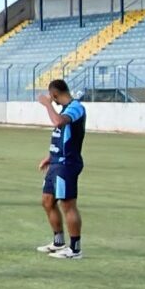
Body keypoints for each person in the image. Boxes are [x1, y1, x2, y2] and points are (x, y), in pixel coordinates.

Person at [36, 79, 86, 260]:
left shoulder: (76, 108)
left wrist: (47, 105)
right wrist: (50, 157)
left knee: (67, 204)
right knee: (47, 201)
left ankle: (75, 249)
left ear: (54, 94)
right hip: (56, 162)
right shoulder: (66, 109)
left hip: (67, 165)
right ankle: (58, 242)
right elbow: (63, 136)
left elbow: (58, 122)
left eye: (51, 96)